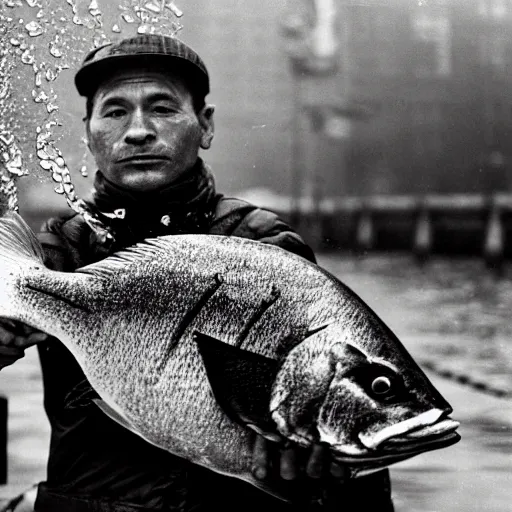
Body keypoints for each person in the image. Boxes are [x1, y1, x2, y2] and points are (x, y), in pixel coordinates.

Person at [0, 35, 394, 511]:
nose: (139, 131)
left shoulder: (260, 241)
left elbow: (323, 395)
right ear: (88, 132)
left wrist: (326, 470)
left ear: (205, 125)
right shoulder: (58, 248)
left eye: (163, 108)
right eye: (115, 111)